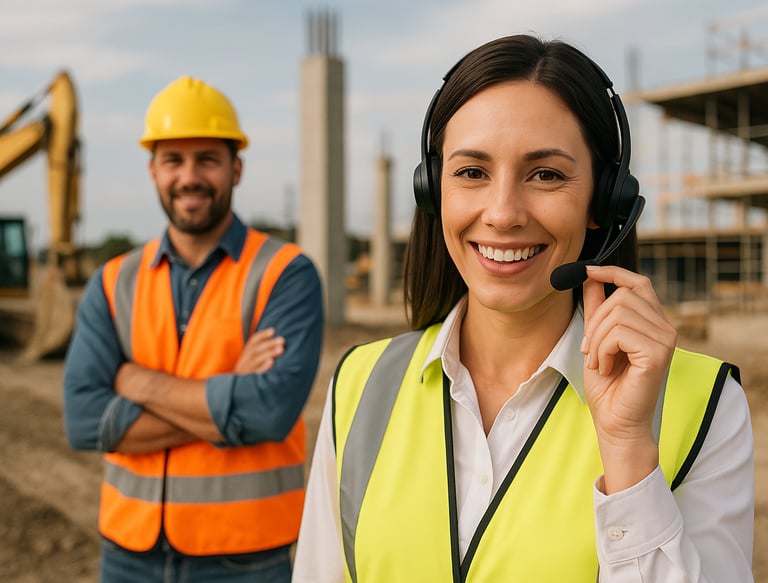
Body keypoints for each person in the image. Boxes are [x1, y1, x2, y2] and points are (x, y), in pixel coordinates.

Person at [292, 34, 754, 582]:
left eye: (546, 175)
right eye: (472, 172)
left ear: (604, 201)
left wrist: (629, 454)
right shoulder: (359, 385)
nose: (503, 213)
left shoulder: (704, 405)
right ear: (433, 189)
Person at [63, 75, 325, 582]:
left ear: (236, 168)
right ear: (152, 170)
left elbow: (267, 413)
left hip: (244, 558)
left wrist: (137, 382)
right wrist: (230, 389)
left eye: (207, 159)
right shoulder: (114, 281)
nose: (189, 176)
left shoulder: (285, 274)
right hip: (127, 556)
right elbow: (84, 419)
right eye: (173, 160)